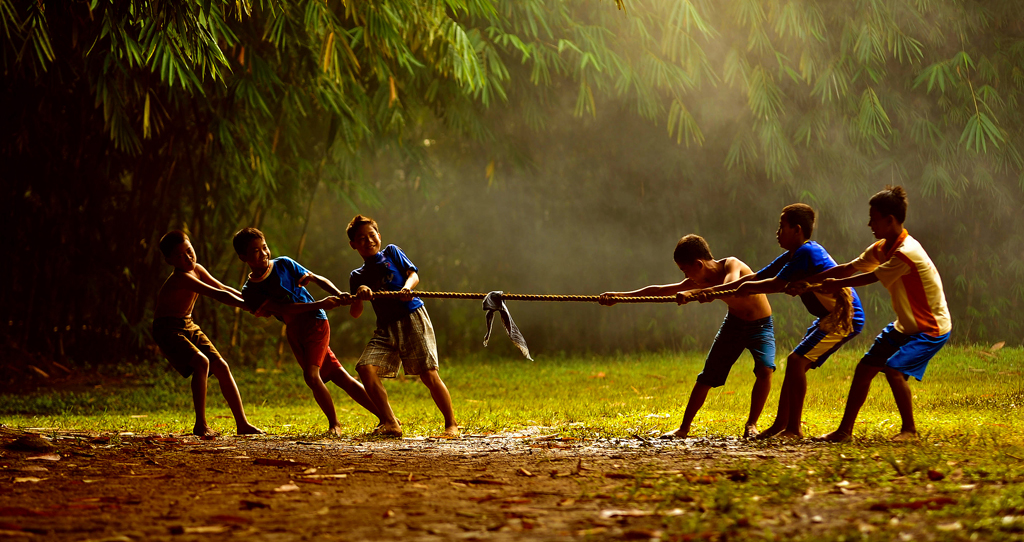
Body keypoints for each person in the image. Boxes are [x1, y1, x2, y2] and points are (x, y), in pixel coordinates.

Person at [789, 186, 951, 442]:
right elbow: (848, 268)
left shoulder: (905, 253)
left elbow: (871, 277)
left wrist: (832, 283)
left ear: (890, 220)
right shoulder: (882, 247)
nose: (869, 223)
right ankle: (844, 432)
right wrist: (810, 282)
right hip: (905, 326)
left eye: (873, 218)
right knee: (864, 369)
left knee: (893, 370)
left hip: (930, 328)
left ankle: (910, 431)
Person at [690, 204, 865, 439]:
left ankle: (794, 428)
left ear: (797, 230)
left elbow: (773, 284)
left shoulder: (806, 253)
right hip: (828, 317)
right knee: (795, 365)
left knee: (795, 362)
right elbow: (758, 276)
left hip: (845, 317)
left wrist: (735, 289)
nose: (777, 232)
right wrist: (718, 290)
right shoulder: (794, 254)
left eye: (782, 227)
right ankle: (781, 425)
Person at [600, 234, 775, 439]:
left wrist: (697, 293)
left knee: (765, 370)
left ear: (699, 264)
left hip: (761, 325)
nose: (686, 277)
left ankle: (751, 425)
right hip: (733, 326)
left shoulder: (731, 265)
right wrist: (620, 297)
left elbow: (732, 287)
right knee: (707, 377)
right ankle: (683, 428)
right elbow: (660, 291)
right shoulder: (698, 281)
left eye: (685, 270)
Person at [232, 227, 382, 436]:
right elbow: (283, 309)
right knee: (340, 376)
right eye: (256, 251)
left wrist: (340, 295)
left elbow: (316, 278)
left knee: (311, 377)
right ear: (243, 257)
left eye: (265, 247)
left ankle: (335, 425)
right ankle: (386, 418)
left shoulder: (284, 263)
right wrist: (320, 302)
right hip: (295, 330)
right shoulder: (250, 290)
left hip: (315, 322)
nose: (264, 253)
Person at [346, 215, 459, 438]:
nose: (368, 241)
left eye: (371, 235)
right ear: (353, 245)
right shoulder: (357, 276)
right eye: (361, 238)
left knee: (429, 375)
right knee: (365, 368)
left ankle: (452, 425)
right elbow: (355, 312)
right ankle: (390, 423)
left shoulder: (391, 252)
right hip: (385, 328)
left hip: (412, 316)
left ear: (379, 236)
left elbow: (413, 274)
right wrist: (360, 295)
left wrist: (406, 288)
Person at [152, 230, 263, 437]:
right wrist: (251, 308)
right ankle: (201, 424)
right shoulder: (181, 277)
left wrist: (254, 302)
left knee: (221, 365)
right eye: (179, 256)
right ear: (169, 261)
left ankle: (243, 424)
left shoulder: (198, 269)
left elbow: (223, 287)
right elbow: (217, 294)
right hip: (166, 328)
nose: (187, 258)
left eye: (189, 251)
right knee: (201, 362)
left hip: (188, 323)